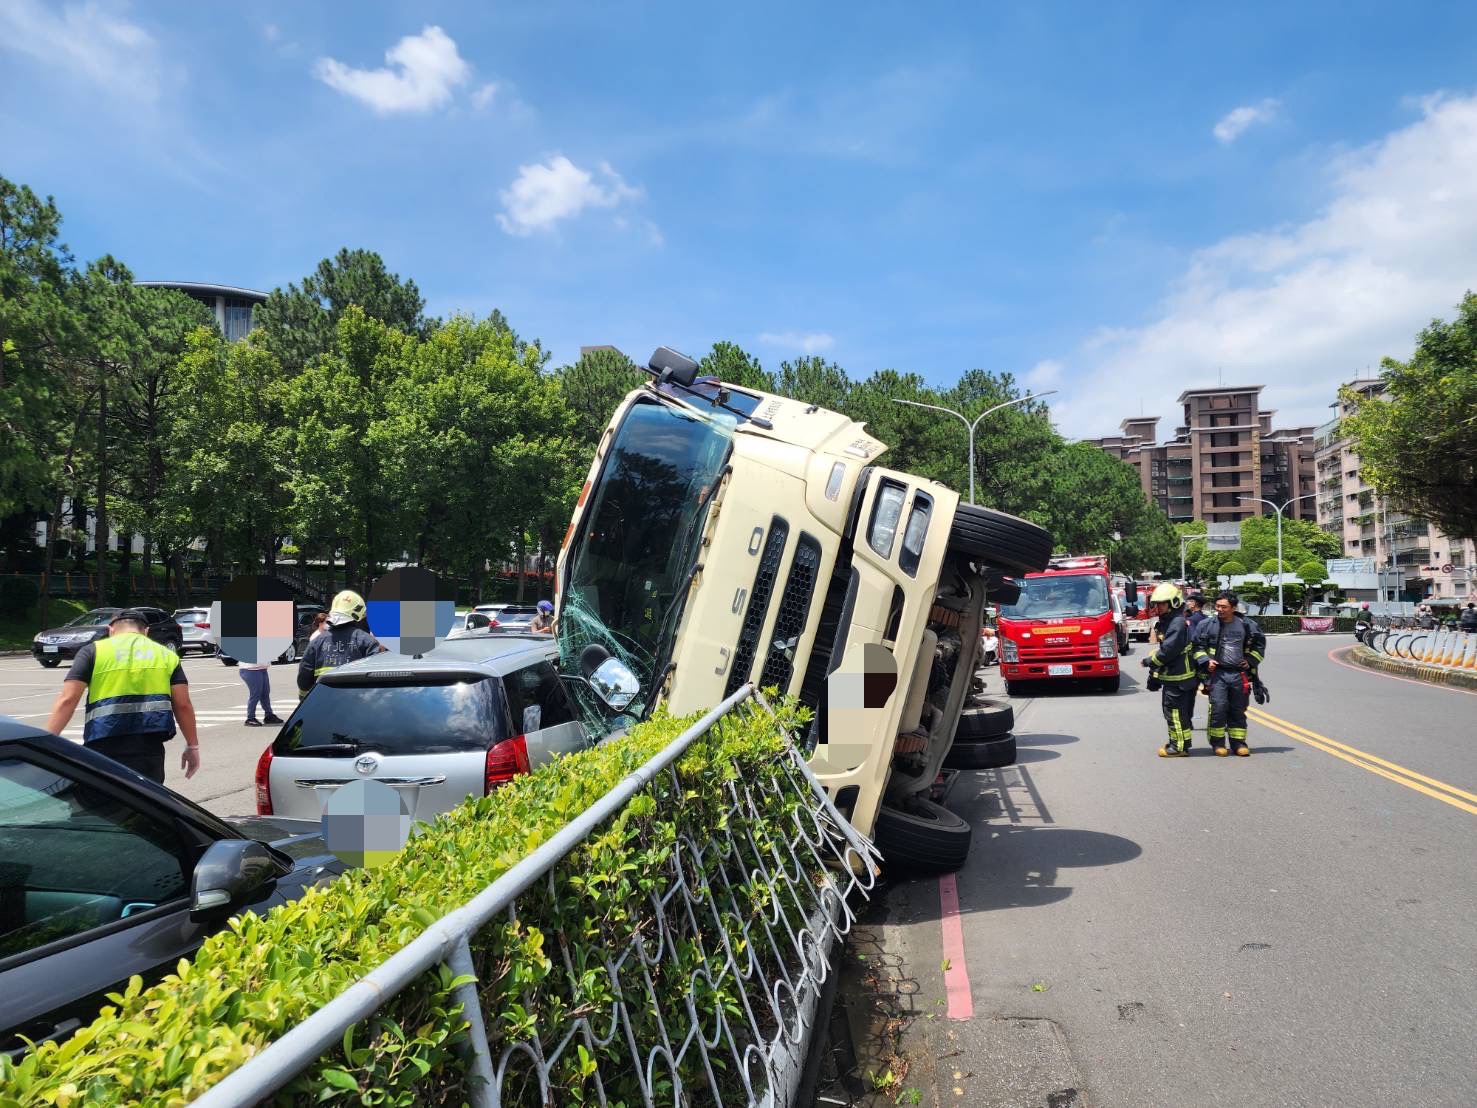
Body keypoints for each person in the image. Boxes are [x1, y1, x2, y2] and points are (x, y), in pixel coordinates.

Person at [44, 608, 201, 783]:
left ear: (111, 630)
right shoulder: (166, 655)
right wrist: (192, 745)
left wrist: (45, 743)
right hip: (149, 745)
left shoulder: (92, 651)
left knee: (105, 801)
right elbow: (183, 704)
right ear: (146, 631)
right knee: (146, 801)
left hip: (103, 740)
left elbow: (68, 700)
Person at [1192, 590, 1267, 757]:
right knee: (1218, 708)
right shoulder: (1206, 625)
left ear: (1233, 607)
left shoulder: (1247, 625)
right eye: (1217, 606)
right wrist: (1206, 661)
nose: (1219, 609)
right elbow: (1196, 647)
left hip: (1239, 675)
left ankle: (1239, 743)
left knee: (1238, 709)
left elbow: (1259, 645)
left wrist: (1251, 661)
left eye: (1223, 607)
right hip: (1217, 675)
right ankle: (1218, 744)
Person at [1140, 584, 1198, 758]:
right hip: (1177, 677)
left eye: (1162, 604)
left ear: (1173, 602)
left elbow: (1168, 651)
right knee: (1178, 713)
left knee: (1174, 712)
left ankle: (1178, 747)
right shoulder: (1170, 621)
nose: (1158, 607)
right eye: (1157, 604)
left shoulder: (1176, 623)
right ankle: (1181, 743)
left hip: (1178, 678)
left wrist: (1149, 662)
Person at [297, 590, 384, 699]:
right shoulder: (366, 641)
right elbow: (376, 676)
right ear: (358, 614)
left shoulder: (317, 642)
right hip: (357, 702)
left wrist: (304, 699)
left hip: (323, 701)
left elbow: (304, 676)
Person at [239, 656, 282, 727]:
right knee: (256, 694)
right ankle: (250, 718)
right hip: (250, 669)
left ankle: (269, 715)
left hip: (262, 668)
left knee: (265, 693)